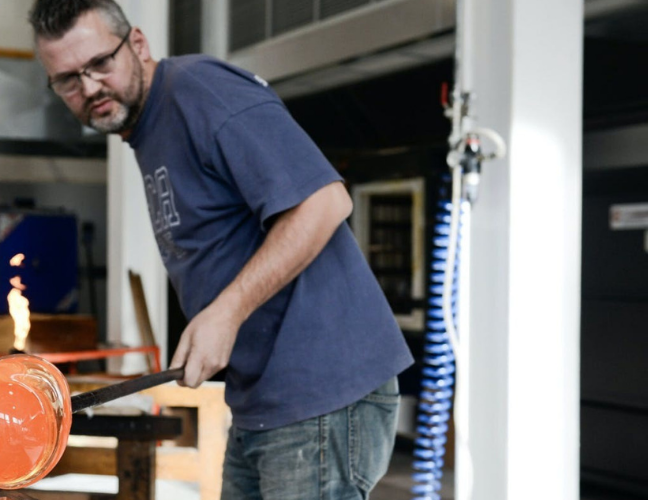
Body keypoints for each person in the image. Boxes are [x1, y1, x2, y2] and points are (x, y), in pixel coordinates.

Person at [29, 1, 414, 498]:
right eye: (67, 79)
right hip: (263, 399)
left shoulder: (199, 91)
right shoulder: (147, 132)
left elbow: (324, 202)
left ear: (139, 45)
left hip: (321, 391)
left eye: (100, 63)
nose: (89, 88)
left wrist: (225, 314)